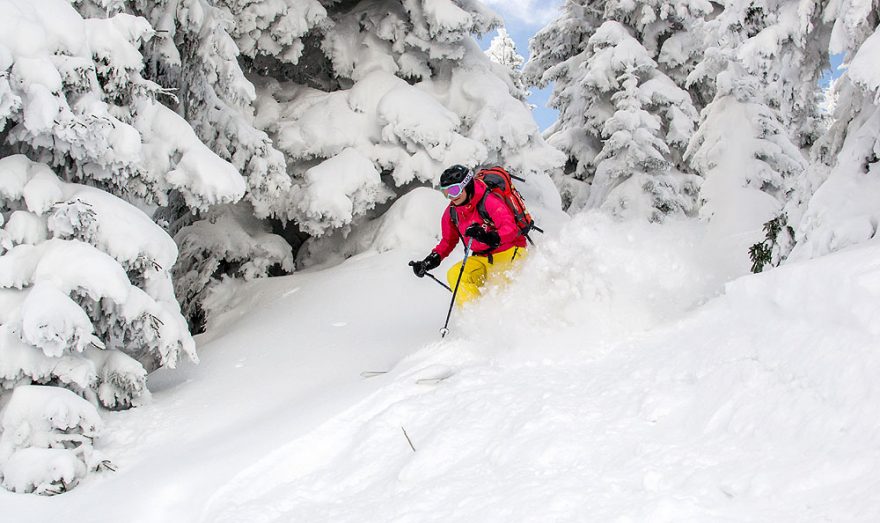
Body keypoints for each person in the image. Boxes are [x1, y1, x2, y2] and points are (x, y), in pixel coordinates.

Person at [409, 164, 527, 304]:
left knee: (498, 292)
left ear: (467, 185)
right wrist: (429, 261)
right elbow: (448, 241)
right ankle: (474, 316)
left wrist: (487, 236)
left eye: (454, 190)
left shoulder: (488, 201)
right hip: (482, 258)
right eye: (446, 192)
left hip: (509, 252)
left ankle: (497, 319)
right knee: (455, 275)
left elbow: (510, 228)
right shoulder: (452, 213)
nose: (452, 196)